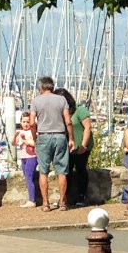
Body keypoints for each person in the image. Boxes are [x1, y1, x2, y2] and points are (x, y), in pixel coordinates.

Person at [30, 76, 72, 211]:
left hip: (44, 135)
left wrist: (35, 138)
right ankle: (62, 203)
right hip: (60, 135)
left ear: (41, 87)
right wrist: (71, 138)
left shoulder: (36, 101)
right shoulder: (62, 100)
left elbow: (31, 123)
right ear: (52, 87)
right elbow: (68, 121)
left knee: (43, 171)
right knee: (61, 171)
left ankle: (46, 203)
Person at [65, 91, 95, 205]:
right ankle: (66, 197)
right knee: (67, 170)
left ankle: (81, 196)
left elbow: (87, 128)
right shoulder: (64, 112)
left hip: (82, 145)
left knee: (80, 170)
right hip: (69, 146)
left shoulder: (80, 110)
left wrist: (84, 145)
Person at [11, 117, 40, 206]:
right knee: (27, 178)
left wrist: (24, 140)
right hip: (23, 157)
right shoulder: (20, 132)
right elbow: (14, 143)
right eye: (24, 122)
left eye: (28, 122)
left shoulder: (33, 132)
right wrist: (16, 136)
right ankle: (31, 198)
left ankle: (32, 200)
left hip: (32, 157)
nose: (26, 124)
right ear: (20, 122)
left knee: (29, 177)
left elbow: (34, 143)